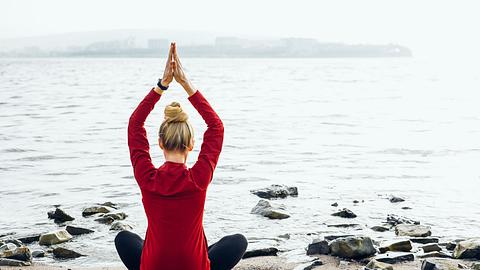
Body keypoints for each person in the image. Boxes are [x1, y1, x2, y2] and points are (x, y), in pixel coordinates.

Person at [115, 42, 248, 270]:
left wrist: (162, 85)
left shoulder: (147, 177)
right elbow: (216, 127)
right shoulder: (199, 178)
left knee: (123, 238)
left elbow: (135, 124)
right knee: (238, 242)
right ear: (191, 145)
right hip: (194, 266)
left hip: (153, 266)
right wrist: (185, 83)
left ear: (159, 143)